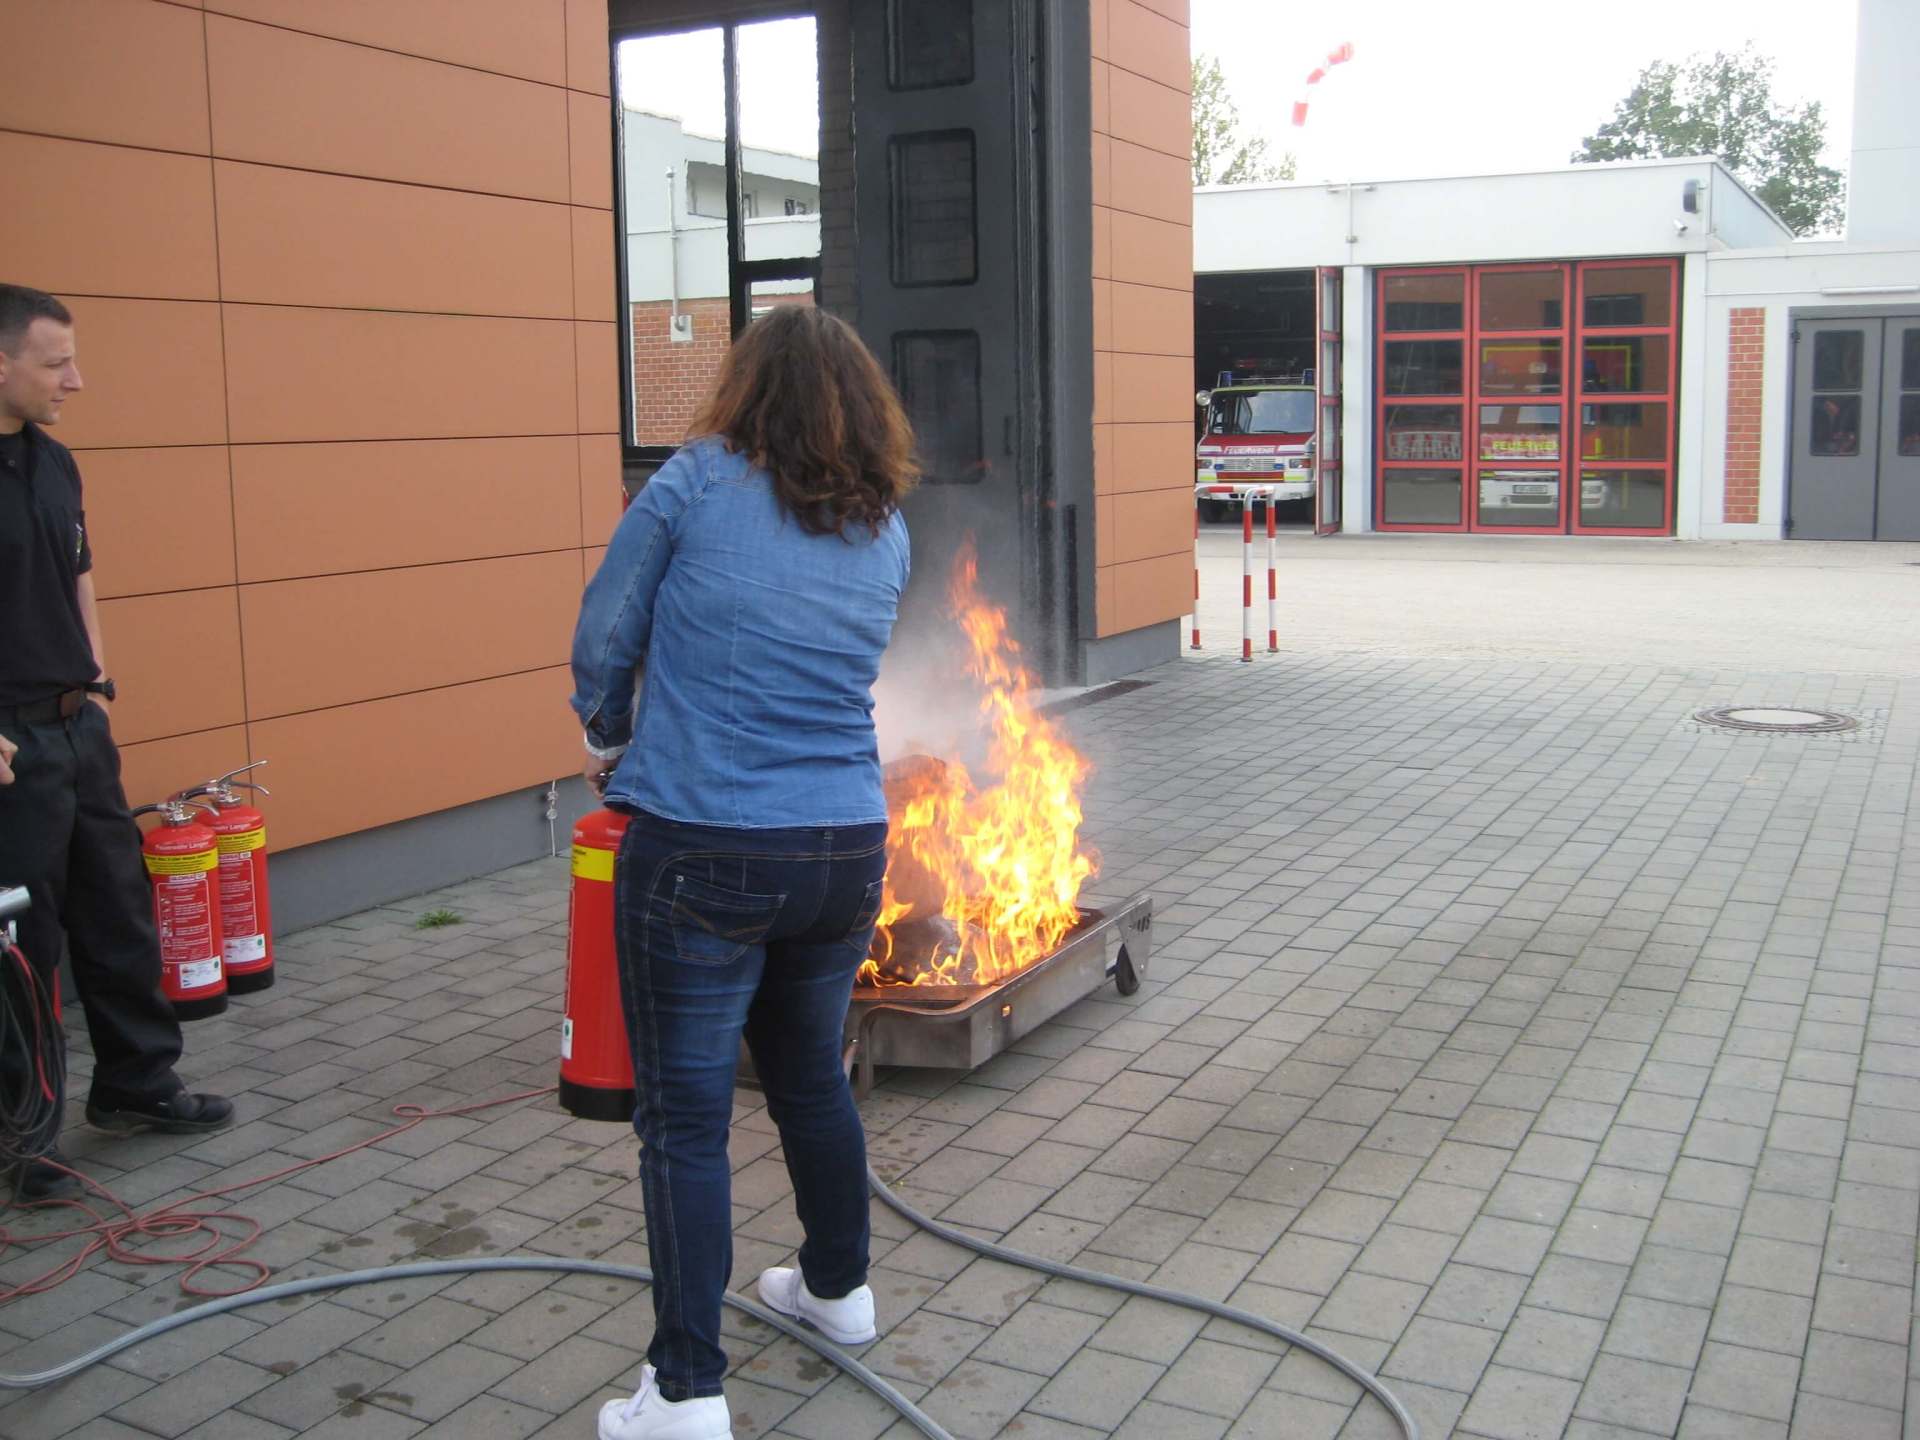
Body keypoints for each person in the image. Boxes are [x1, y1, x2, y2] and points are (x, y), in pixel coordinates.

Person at [570, 306, 914, 1440]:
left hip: (705, 844)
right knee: (811, 1078)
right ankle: (837, 1292)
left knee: (682, 1121)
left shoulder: (693, 483)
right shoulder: (883, 526)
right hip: (845, 848)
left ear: (743, 389)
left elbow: (607, 630)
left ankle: (684, 1392)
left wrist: (610, 731)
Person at [0, 284, 233, 1206]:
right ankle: (27, 1135)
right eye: (57, 364)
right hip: (9, 743)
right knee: (27, 942)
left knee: (118, 912)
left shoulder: (55, 465)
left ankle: (138, 1086)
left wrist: (96, 681)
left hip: (76, 727)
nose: (77, 380)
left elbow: (80, 572)